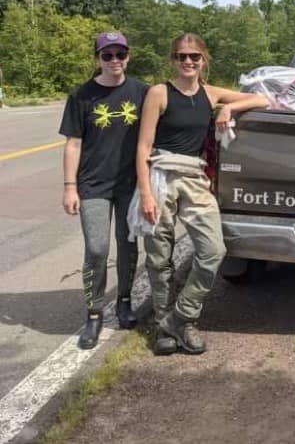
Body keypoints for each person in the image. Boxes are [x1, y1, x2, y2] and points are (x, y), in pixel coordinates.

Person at [136, 33, 268, 356]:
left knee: (213, 250)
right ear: (173, 60)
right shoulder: (159, 93)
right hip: (161, 176)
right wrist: (146, 195)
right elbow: (143, 147)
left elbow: (263, 100)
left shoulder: (209, 94)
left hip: (195, 177)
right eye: (182, 56)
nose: (188, 62)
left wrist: (229, 109)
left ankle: (182, 317)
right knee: (158, 257)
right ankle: (162, 324)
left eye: (194, 56)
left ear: (204, 60)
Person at [60, 32, 149, 349]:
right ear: (97, 58)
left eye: (120, 54)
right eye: (107, 55)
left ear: (128, 56)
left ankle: (124, 301)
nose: (115, 60)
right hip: (93, 185)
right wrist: (70, 187)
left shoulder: (143, 92)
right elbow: (73, 143)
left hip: (130, 186)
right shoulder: (81, 96)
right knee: (96, 249)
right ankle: (94, 312)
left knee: (128, 247)